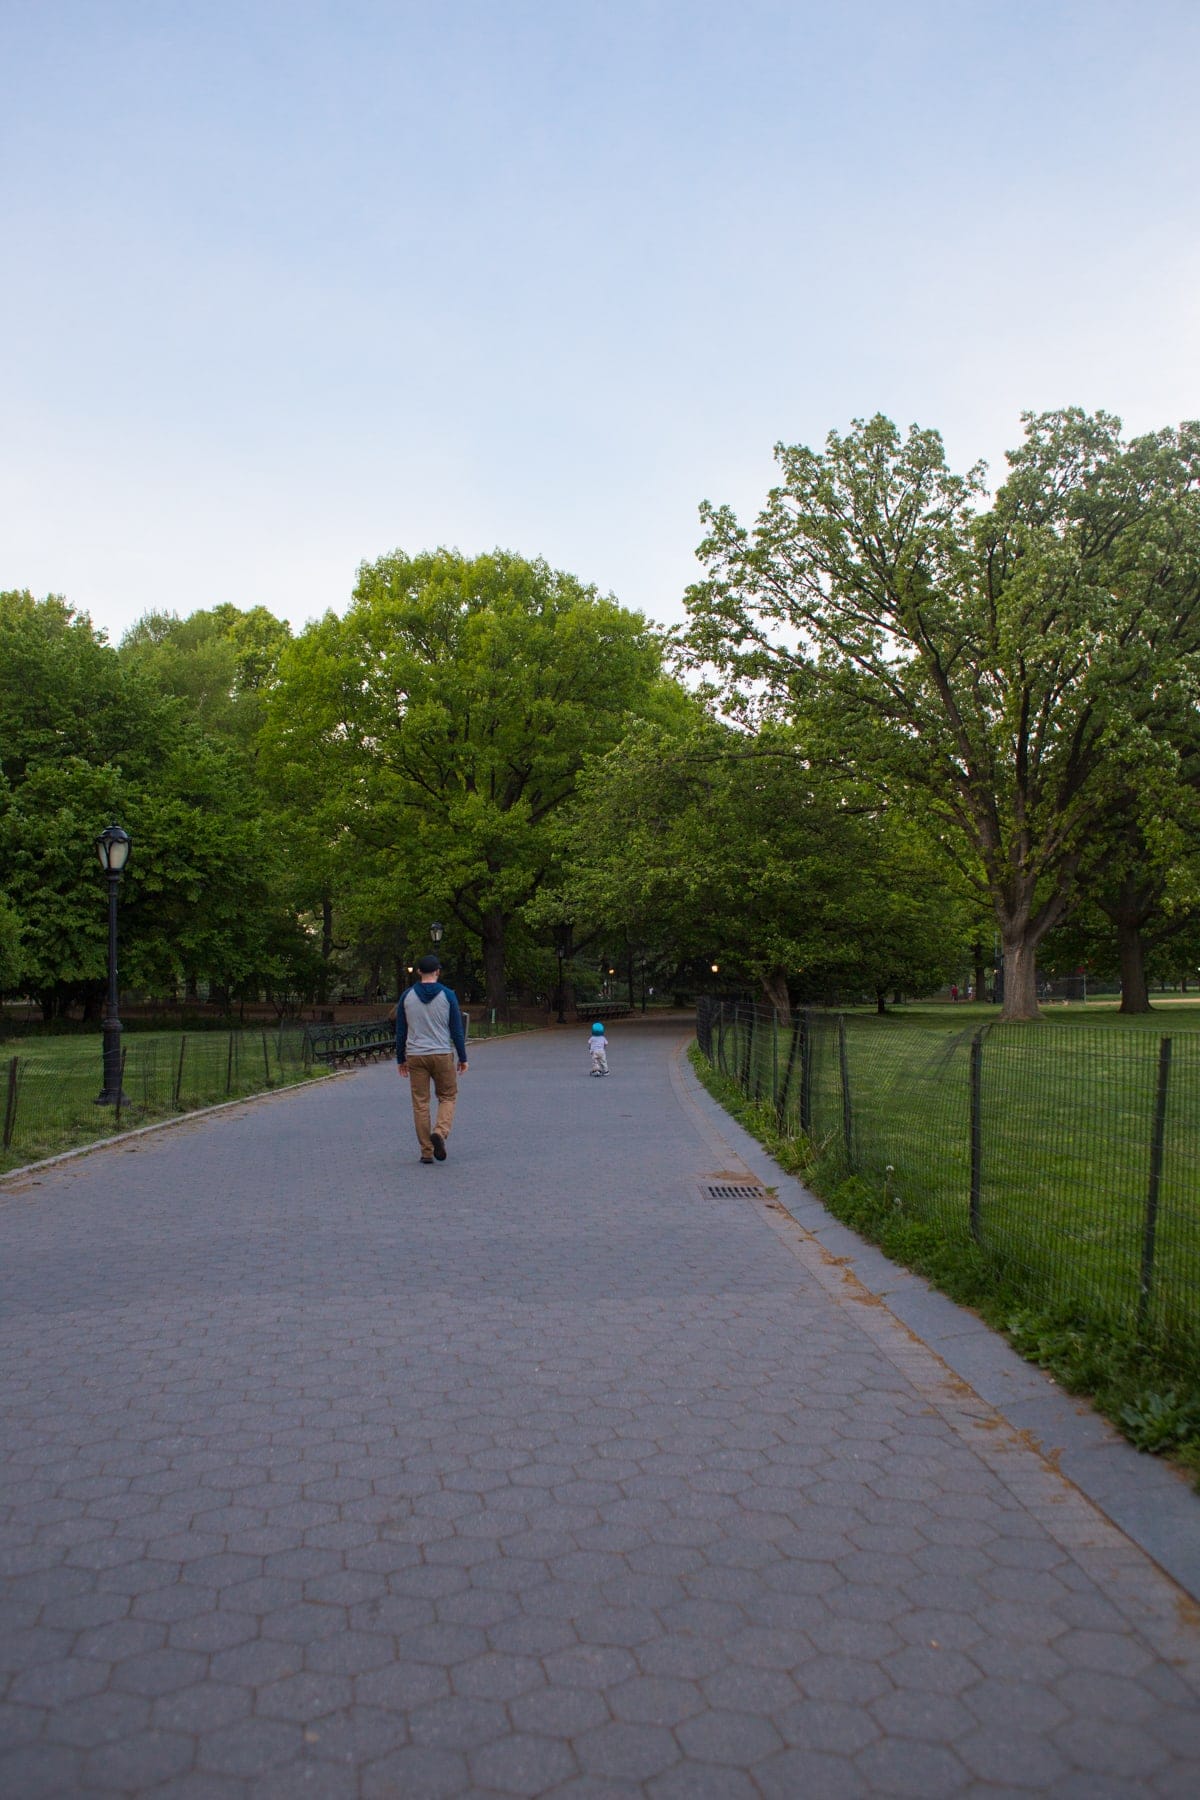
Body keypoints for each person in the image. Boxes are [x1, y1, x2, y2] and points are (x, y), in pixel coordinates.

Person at [396, 953, 468, 1163]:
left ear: (419, 972)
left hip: (416, 1055)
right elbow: (456, 1029)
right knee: (448, 1096)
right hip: (441, 1053)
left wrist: (400, 1058)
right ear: (438, 971)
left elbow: (401, 1030)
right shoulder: (448, 995)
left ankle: (426, 1151)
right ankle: (440, 1131)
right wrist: (462, 1057)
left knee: (421, 1103)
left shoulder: (406, 997)